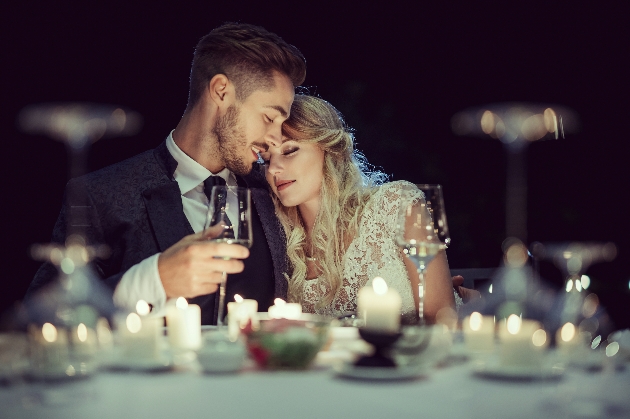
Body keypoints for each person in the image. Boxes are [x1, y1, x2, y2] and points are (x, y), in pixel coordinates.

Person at [26, 23, 307, 324]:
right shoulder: (101, 195)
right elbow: (42, 324)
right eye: (269, 117)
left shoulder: (274, 193)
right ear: (221, 91)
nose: (276, 138)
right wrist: (150, 280)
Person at [261, 94, 460, 323]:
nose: (274, 169)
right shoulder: (279, 241)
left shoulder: (397, 204)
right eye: (266, 160)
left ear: (329, 149)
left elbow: (443, 318)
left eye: (289, 151)